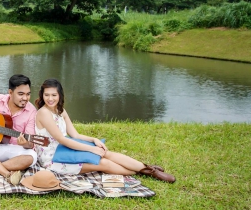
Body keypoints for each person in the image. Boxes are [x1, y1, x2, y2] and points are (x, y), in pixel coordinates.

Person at [33, 78, 175, 183]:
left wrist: (94, 141)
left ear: (60, 95)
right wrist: (92, 150)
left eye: (54, 95)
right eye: (47, 95)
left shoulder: (60, 110)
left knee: (106, 153)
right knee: (102, 163)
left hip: (65, 149)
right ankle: (142, 172)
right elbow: (63, 139)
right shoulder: (44, 113)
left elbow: (74, 135)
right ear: (42, 95)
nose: (50, 99)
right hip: (52, 158)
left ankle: (149, 169)